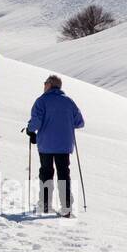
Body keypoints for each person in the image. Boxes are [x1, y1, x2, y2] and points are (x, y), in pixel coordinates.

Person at [26, 74, 84, 217]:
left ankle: (45, 205)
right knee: (64, 174)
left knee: (46, 173)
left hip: (46, 144)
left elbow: (36, 121)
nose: (44, 85)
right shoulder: (69, 102)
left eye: (45, 83)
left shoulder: (42, 101)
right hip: (64, 145)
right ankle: (66, 207)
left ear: (50, 84)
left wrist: (30, 131)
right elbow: (80, 122)